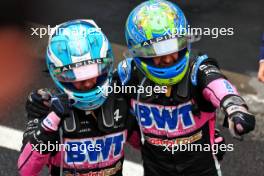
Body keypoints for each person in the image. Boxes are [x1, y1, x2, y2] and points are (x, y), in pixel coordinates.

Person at [117, 0, 256, 175]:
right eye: (155, 52)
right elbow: (108, 105)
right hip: (155, 170)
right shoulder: (128, 75)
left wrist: (235, 107)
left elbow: (216, 81)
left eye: (173, 46)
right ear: (138, 52)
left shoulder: (197, 68)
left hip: (202, 170)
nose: (168, 59)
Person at [17, 19, 139, 176]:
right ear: (58, 74)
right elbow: (26, 170)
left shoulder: (120, 98)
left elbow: (149, 145)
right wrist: (51, 122)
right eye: (75, 75)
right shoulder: (46, 106)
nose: (88, 83)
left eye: (93, 71)